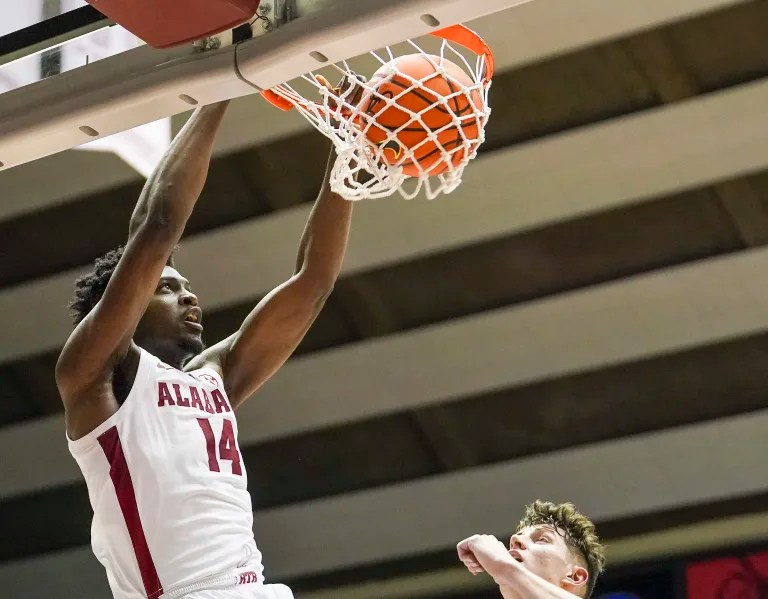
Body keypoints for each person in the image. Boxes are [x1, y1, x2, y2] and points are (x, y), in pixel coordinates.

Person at [56, 98, 353, 599]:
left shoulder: (215, 374)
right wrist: (221, 86)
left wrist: (349, 150)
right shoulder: (95, 376)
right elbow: (156, 227)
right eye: (166, 287)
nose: (189, 294)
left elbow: (313, 283)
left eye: (186, 284)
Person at [457, 500, 606, 599]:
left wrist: (504, 567)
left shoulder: (504, 567)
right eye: (517, 537)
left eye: (542, 539)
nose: (515, 540)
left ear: (575, 576)